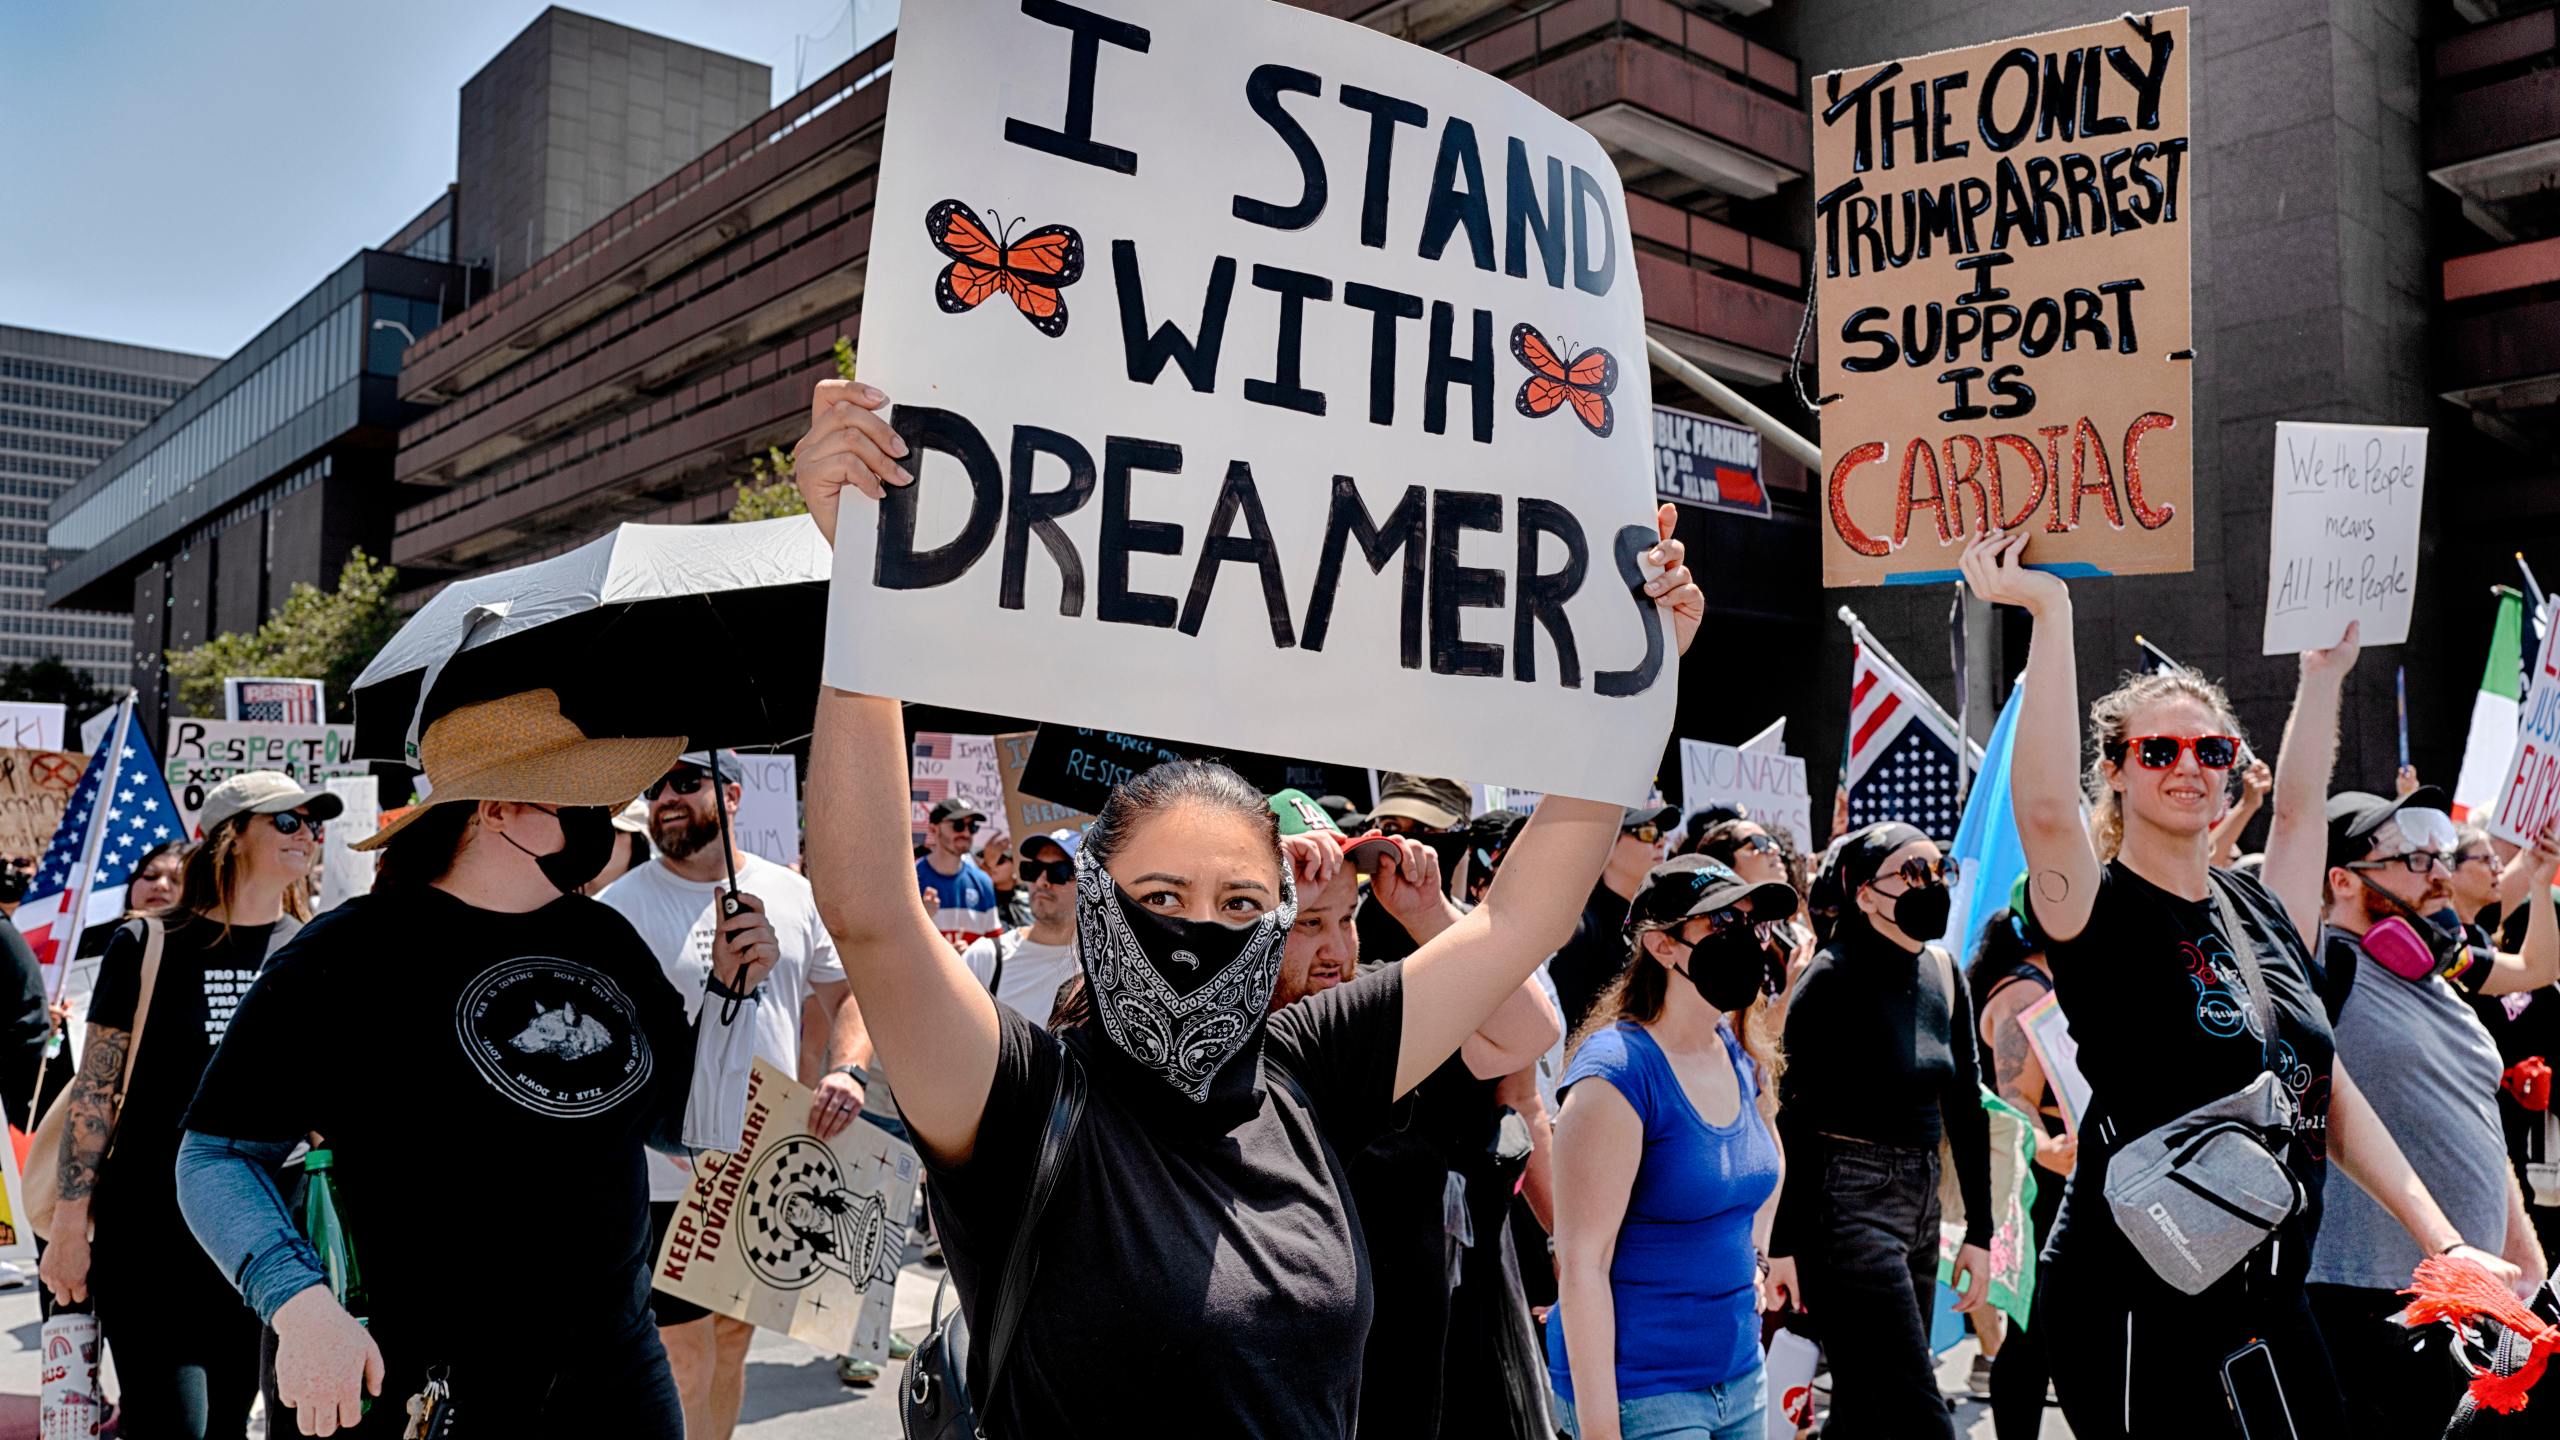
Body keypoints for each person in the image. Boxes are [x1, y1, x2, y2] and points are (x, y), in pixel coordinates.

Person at [783, 372, 1704, 1435]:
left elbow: (1520, 923)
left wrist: (1638, 683)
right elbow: (870, 914)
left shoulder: (1309, 1073)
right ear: (1094, 906)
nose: (1196, 929)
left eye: (1236, 903)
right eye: (1161, 894)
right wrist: (868, 585)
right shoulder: (1020, 1101)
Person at [1960, 529, 2522, 1437]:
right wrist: (2049, 610)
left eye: (2211, 752)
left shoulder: (2259, 912)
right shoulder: (2097, 911)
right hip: (2143, 1290)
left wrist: (2324, 675)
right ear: (2116, 770)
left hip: (2270, 1283)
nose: (2189, 766)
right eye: (2159, 752)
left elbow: (2321, 1082)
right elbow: (2044, 810)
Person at [172, 690, 779, 1439]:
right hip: (425, 1383)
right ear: (494, 809)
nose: (598, 819)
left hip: (614, 1371)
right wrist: (297, 1302)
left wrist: (731, 993)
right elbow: (216, 1154)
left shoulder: (604, 936)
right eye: (574, 798)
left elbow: (687, 1129)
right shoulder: (350, 952)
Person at [38, 773, 334, 1440]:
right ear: (232, 836)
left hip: (264, 1237)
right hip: (149, 1236)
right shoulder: (147, 944)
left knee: (228, 1426)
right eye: (287, 821)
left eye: (315, 823)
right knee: (177, 1427)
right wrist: (67, 1225)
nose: (308, 835)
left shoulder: (314, 949)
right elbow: (95, 1090)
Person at [1268, 791, 1560, 1440]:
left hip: (1407, 1400)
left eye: (1347, 918)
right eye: (1308, 923)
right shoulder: (1216, 1049)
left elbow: (1527, 1032)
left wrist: (1430, 916)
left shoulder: (1373, 1008)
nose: (1336, 948)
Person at [599, 748, 872, 1440]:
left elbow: (851, 998)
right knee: (682, 1357)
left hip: (760, 1163)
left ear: (733, 796)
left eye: (686, 781)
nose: (666, 797)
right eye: (655, 785)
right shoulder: (616, 911)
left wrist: (846, 1071)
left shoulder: (790, 893)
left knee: (730, 1343)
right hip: (665, 1175)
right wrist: (661, 1123)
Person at [2304, 787, 2558, 1438]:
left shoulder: (2435, 972)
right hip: (2368, 1306)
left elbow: (2474, 1118)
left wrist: (2526, 1269)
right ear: (2343, 879)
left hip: (2468, 1304)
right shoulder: (2321, 968)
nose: (2439, 873)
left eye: (2438, 856)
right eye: (2414, 861)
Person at [1549, 856, 1792, 1440]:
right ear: (1662, 947)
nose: (1747, 940)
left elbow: (1771, 1165)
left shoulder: (1738, 1049)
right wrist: (1601, 1429)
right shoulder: (1616, 1077)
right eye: (1721, 924)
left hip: (1739, 1377)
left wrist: (1755, 1259)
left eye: (1752, 925)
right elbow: (1581, 1264)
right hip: (1644, 1395)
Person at [1767, 820, 1992, 1439]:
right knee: (1919, 1411)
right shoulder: (1830, 978)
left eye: (1937, 869)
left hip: (1920, 1199)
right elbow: (1794, 1117)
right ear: (1865, 894)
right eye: (1911, 873)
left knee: (1869, 1411)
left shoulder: (1945, 972)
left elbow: (1966, 1105)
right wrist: (1784, 1245)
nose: (1931, 884)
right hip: (1847, 1206)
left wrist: (1980, 1231)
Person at [1967, 897, 2073, 1440]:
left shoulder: (2058, 977)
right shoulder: (2022, 991)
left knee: (2056, 1330)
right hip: (2044, 1176)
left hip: (2071, 1167)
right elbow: (2016, 1100)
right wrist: (2050, 1149)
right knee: (2036, 1330)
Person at [1547, 804, 1678, 1033]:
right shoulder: (1581, 930)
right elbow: (1568, 1025)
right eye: (1647, 833)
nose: (1661, 842)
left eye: (1661, 834)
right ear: (1606, 844)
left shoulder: (1656, 918)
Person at [961, 830, 1083, 1020]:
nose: (1042, 881)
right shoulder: (984, 959)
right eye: (1034, 869)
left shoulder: (1104, 966)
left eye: (1059, 872)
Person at [1358, 773, 1473, 966]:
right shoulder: (1348, 919)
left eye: (1424, 828)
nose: (1404, 840)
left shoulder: (1479, 931)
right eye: (1391, 825)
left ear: (1461, 836)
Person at [917, 796, 1003, 950]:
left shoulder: (983, 882)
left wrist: (972, 954)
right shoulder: (911, 878)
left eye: (972, 827)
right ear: (933, 829)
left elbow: (995, 947)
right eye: (958, 825)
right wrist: (921, 918)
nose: (966, 833)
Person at [980, 828, 1035, 930]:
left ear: (1014, 864)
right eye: (988, 860)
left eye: (999, 861)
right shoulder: (982, 897)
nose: (993, 866)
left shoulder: (1032, 893)